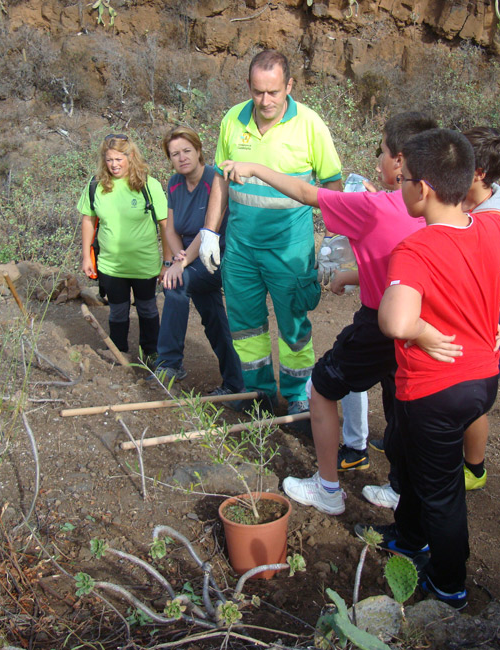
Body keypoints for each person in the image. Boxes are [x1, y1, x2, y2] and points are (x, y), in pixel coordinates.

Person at [365, 128, 500, 609]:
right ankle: (409, 537)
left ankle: (449, 586)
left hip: (436, 390)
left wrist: (422, 330)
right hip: (480, 381)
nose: (400, 186)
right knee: (412, 459)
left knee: (442, 493)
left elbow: (395, 321)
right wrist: (491, 297)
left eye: (404, 179)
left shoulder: (416, 249)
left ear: (424, 188)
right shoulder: (492, 228)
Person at [220, 112, 442, 516]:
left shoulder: (376, 207)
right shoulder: (445, 208)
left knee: (322, 387)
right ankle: (401, 488)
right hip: (427, 324)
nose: (377, 160)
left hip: (382, 323)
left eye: (382, 152)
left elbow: (308, 194)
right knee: (402, 406)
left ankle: (327, 489)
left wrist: (254, 168)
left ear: (401, 162)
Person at [198, 50, 343, 422]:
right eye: (258, 91)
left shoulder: (310, 125)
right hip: (241, 248)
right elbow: (220, 179)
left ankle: (298, 396)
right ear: (248, 85)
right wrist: (210, 231)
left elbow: (332, 185)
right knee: (246, 327)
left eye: (274, 92)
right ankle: (258, 394)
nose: (265, 101)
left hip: (289, 249)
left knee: (294, 325)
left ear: (289, 86)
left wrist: (333, 241)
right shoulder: (233, 119)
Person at [152, 126, 244, 399]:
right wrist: (178, 258)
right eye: (175, 154)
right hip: (191, 258)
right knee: (214, 318)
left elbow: (208, 230)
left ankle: (170, 363)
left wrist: (180, 266)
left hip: (217, 257)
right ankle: (235, 383)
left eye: (186, 151)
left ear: (199, 150)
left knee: (176, 285)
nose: (182, 158)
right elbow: (171, 229)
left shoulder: (214, 179)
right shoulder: (174, 184)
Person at [459, 126, 500, 492]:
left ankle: (474, 468)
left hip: (479, 318)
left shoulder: (493, 221)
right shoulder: (474, 200)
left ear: (479, 173)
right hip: (472, 312)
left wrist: (491, 304)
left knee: (472, 397)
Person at [78, 134, 168, 360]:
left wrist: (167, 262)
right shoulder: (95, 186)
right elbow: (88, 220)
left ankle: (151, 353)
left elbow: (165, 224)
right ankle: (119, 353)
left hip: (144, 263)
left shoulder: (149, 185)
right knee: (117, 310)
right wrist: (86, 257)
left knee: (147, 308)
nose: (114, 165)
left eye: (119, 159)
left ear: (131, 156)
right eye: (109, 160)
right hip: (110, 264)